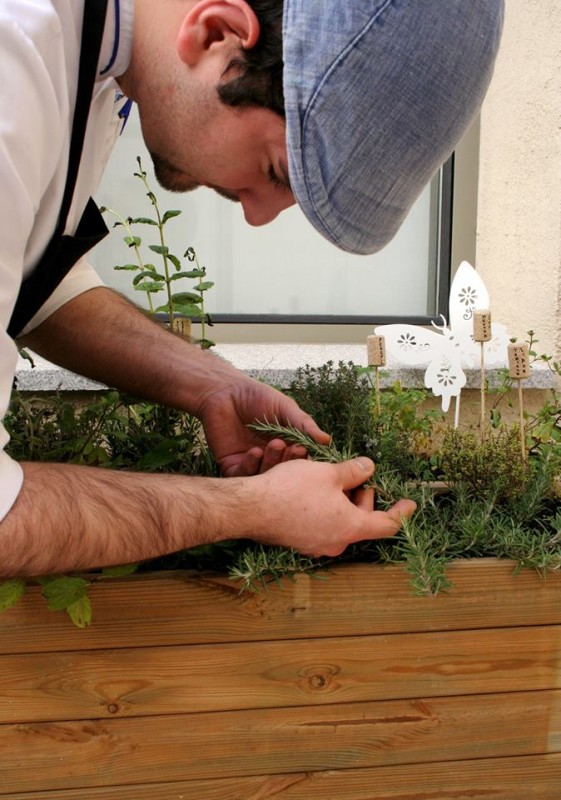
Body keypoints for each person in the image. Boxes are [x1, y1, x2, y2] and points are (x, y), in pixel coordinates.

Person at [0, 0, 504, 578]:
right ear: (218, 31)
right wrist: (253, 509)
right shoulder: (11, 67)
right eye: (274, 172)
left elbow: (39, 279)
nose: (258, 217)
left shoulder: (101, 61)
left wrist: (213, 384)